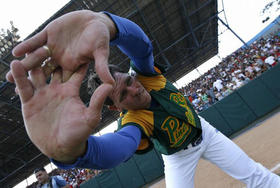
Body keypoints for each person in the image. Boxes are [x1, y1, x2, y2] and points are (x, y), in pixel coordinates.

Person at [7, 11, 280, 188]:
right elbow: (115, 150)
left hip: (205, 132)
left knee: (256, 175)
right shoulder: (133, 121)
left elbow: (142, 46)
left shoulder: (145, 75)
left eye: (129, 81)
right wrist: (76, 152)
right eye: (123, 94)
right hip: (177, 157)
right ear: (115, 107)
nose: (134, 89)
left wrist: (109, 24)